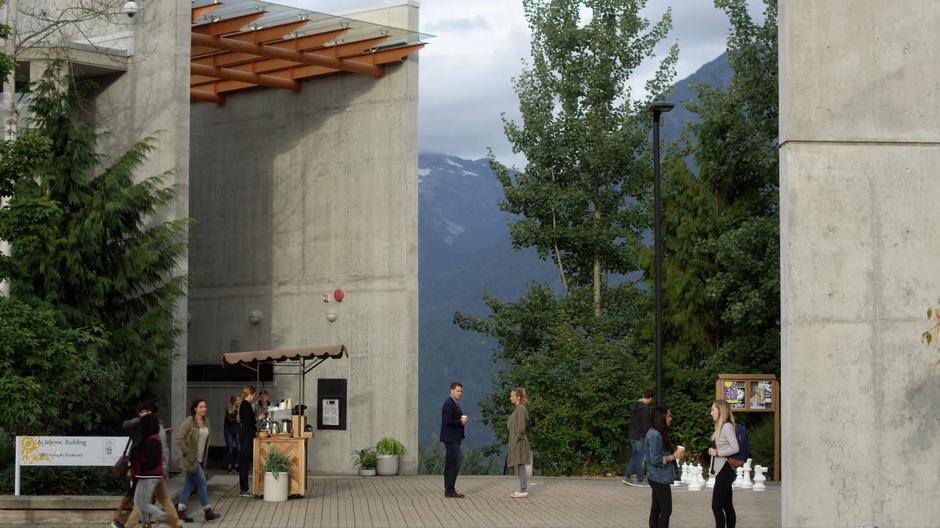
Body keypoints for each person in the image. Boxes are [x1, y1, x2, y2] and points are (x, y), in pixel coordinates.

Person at [111, 401, 180, 528]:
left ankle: (132, 525)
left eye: (147, 412)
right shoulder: (142, 425)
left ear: (153, 413)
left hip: (150, 473)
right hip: (148, 473)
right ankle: (171, 522)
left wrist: (164, 470)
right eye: (142, 412)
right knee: (161, 499)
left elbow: (162, 451)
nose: (144, 414)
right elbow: (126, 425)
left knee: (141, 502)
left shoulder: (156, 428)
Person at [177, 399, 221, 522]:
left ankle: (180, 510)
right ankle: (207, 511)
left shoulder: (207, 422)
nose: (204, 409)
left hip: (201, 459)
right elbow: (180, 438)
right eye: (201, 407)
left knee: (189, 485)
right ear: (195, 408)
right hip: (192, 460)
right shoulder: (189, 422)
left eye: (205, 406)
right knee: (202, 483)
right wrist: (187, 453)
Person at [645, 406, 685, 528]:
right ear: (661, 417)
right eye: (668, 416)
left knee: (656, 509)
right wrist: (673, 456)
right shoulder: (655, 435)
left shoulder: (657, 433)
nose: (671, 418)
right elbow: (655, 459)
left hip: (657, 476)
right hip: (659, 477)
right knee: (666, 510)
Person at [131, 413, 166, 528]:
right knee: (137, 501)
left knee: (144, 504)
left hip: (150, 476)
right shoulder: (148, 438)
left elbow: (153, 461)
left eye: (142, 424)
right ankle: (146, 523)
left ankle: (164, 517)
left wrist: (142, 466)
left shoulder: (153, 440)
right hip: (144, 475)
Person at [708, 399, 739, 528]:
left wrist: (718, 453)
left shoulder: (727, 426)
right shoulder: (721, 427)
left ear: (720, 411)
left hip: (725, 470)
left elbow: (735, 448)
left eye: (713, 410)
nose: (711, 413)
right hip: (722, 470)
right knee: (727, 505)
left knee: (716, 506)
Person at [440, 381, 468, 498]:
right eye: (458, 391)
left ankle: (449, 489)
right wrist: (461, 422)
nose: (460, 393)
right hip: (451, 438)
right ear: (452, 390)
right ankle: (450, 489)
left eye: (461, 391)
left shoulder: (454, 403)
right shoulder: (449, 403)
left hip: (454, 438)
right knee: (454, 463)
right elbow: (447, 421)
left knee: (451, 463)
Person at [623, 390, 654, 486]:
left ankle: (627, 477)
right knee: (640, 457)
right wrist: (648, 436)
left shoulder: (635, 406)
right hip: (640, 436)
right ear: (650, 398)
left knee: (635, 456)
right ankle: (640, 480)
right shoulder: (644, 409)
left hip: (632, 434)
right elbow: (645, 425)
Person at [506, 387, 532, 498]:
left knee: (521, 464)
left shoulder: (521, 409)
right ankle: (522, 489)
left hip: (519, 442)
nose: (510, 398)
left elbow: (521, 427)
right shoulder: (518, 408)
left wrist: (516, 438)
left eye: (512, 396)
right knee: (520, 465)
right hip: (517, 441)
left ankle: (523, 489)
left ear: (518, 397)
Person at [239, 385, 258, 496]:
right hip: (247, 437)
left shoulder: (245, 405)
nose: (254, 397)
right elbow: (248, 421)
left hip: (245, 436)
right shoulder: (246, 405)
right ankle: (244, 489)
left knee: (245, 463)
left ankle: (245, 488)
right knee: (245, 463)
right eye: (254, 394)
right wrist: (257, 419)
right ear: (250, 394)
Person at [224, 395, 241, 473]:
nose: (240, 401)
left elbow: (242, 420)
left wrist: (239, 411)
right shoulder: (228, 408)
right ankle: (230, 466)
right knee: (230, 448)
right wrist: (237, 420)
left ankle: (237, 465)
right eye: (238, 400)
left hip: (237, 430)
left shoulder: (240, 409)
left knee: (239, 448)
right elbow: (229, 420)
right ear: (234, 401)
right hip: (229, 430)